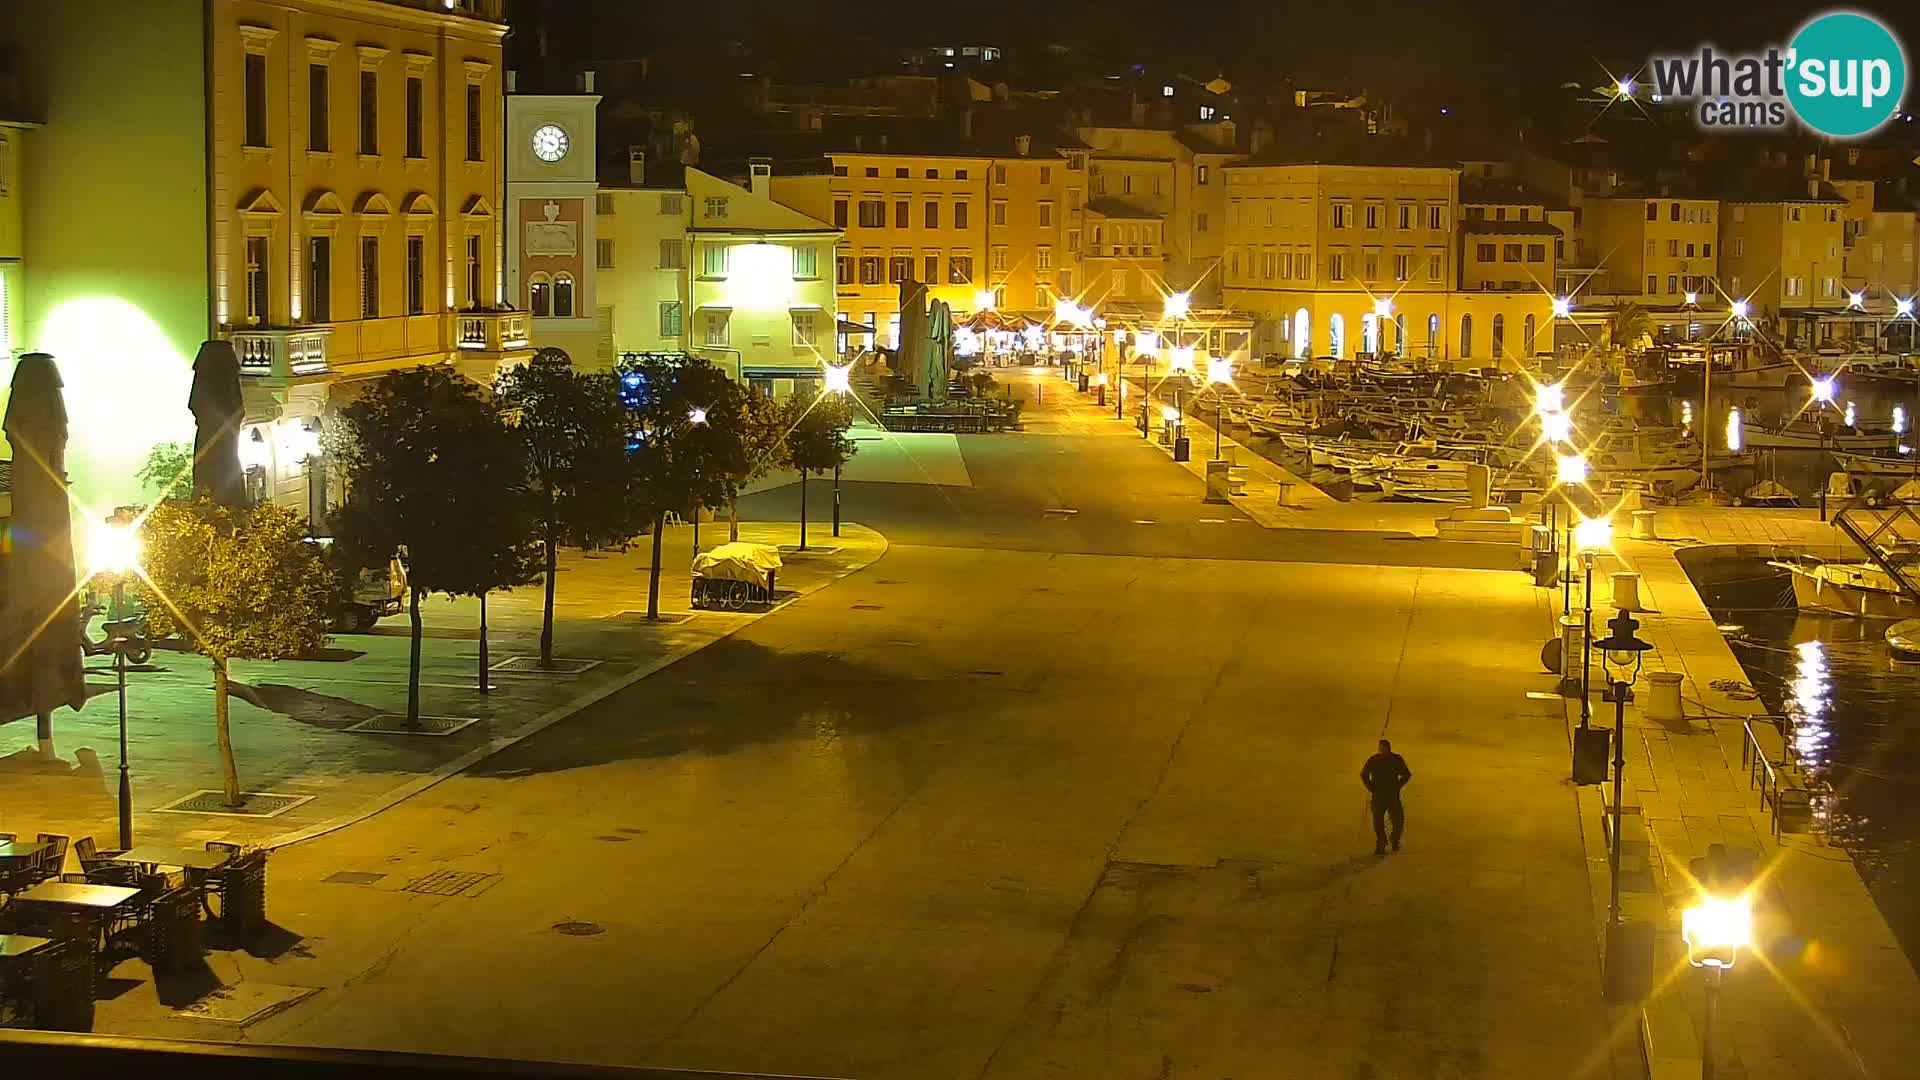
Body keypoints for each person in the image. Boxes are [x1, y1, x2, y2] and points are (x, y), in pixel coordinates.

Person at [1360, 738, 1412, 855]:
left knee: (1398, 821)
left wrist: (1397, 785)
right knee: (1378, 822)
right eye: (1380, 749)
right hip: (1378, 796)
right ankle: (1381, 844)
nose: (1382, 751)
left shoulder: (1396, 759)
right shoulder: (1374, 760)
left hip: (1392, 797)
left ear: (1389, 749)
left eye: (1384, 749)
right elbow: (1364, 774)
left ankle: (1394, 840)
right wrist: (1371, 787)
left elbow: (1406, 774)